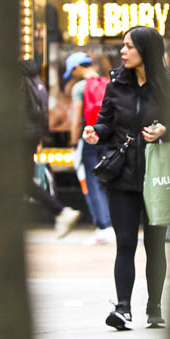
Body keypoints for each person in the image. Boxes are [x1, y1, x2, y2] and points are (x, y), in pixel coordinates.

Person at [82, 26, 170, 330]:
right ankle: (123, 308)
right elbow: (106, 123)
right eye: (123, 46)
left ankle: (154, 307)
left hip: (156, 175)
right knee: (125, 242)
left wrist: (166, 131)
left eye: (129, 46)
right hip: (122, 174)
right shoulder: (116, 85)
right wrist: (96, 132)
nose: (122, 51)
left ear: (146, 50)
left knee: (155, 244)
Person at [21, 59, 81, 238]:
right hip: (31, 138)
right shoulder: (37, 83)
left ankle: (61, 212)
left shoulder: (19, 82)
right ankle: (61, 211)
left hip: (19, 138)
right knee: (23, 182)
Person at [66, 51, 112, 244]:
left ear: (78, 67)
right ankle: (110, 224)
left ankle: (103, 227)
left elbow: (77, 120)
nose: (72, 75)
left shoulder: (80, 87)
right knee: (107, 181)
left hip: (89, 138)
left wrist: (73, 142)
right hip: (108, 137)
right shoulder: (107, 83)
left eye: (72, 71)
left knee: (92, 183)